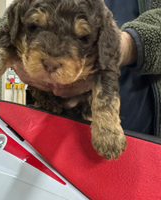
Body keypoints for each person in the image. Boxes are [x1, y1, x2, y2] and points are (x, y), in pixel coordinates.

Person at [10, 0, 161, 136]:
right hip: (52, 119)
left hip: (142, 129)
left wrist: (127, 47)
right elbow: (17, 14)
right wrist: (15, 48)